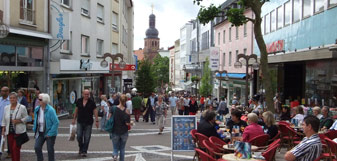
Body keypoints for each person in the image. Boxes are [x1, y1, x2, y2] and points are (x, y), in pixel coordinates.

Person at [1, 92, 29, 161]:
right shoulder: (6, 108)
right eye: (10, 98)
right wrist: (3, 129)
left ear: (17, 99)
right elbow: (4, 119)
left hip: (19, 132)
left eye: (13, 98)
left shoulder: (22, 107)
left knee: (15, 148)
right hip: (9, 131)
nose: (12, 99)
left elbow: (27, 118)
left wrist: (18, 121)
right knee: (11, 149)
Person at [72, 89, 99, 157]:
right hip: (80, 121)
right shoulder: (79, 101)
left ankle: (84, 151)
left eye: (88, 94)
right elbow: (76, 110)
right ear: (82, 94)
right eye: (85, 94)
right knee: (79, 136)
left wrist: (97, 120)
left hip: (88, 122)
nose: (87, 95)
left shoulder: (92, 102)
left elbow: (95, 111)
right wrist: (74, 119)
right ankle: (81, 147)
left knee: (87, 137)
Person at [33, 93, 59, 161]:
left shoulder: (51, 110)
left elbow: (56, 122)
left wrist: (50, 133)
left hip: (49, 132)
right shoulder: (37, 109)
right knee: (37, 147)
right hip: (40, 131)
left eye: (40, 99)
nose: (38, 100)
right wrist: (35, 129)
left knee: (50, 149)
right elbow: (36, 119)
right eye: (38, 99)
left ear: (44, 100)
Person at [109, 94, 130, 161]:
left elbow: (109, 118)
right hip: (124, 131)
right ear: (126, 101)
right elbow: (127, 123)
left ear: (119, 100)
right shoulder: (127, 110)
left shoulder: (113, 108)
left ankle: (115, 155)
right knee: (122, 148)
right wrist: (131, 123)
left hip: (115, 130)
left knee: (115, 147)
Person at [0, 86, 10, 158]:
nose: (1, 92)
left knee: (9, 139)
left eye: (3, 91)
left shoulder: (11, 100)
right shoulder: (0, 100)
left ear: (7, 92)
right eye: (1, 90)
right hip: (0, 122)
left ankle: (10, 152)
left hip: (8, 123)